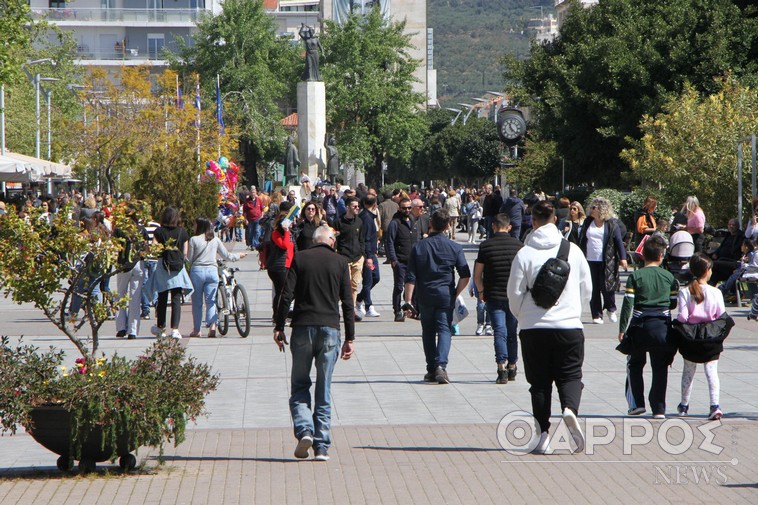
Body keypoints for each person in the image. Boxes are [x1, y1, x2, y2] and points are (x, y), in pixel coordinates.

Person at [507, 201, 592, 454]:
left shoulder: (524, 254)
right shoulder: (573, 251)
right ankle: (569, 409)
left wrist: (524, 316)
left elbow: (514, 294)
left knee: (540, 384)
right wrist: (574, 311)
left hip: (534, 329)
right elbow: (586, 288)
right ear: (555, 220)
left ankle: (542, 435)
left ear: (532, 222)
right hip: (569, 327)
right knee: (570, 375)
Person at [273, 226, 355, 462]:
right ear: (329, 240)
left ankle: (304, 430)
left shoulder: (300, 258)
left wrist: (279, 326)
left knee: (299, 385)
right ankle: (322, 447)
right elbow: (347, 303)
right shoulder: (340, 262)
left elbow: (285, 295)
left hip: (302, 328)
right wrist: (350, 338)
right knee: (324, 388)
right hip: (330, 329)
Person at [404, 208, 471, 384]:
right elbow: (465, 274)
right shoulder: (455, 247)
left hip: (425, 295)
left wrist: (408, 301)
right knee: (444, 329)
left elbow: (410, 277)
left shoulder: (418, 247)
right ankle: (441, 366)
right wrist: (456, 293)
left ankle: (431, 368)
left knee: (427, 331)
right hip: (445, 295)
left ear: (430, 223)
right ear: (448, 226)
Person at [617, 235, 679, 418]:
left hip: (639, 327)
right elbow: (673, 303)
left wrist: (622, 329)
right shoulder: (669, 277)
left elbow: (628, 304)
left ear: (643, 256)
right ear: (661, 256)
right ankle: (659, 408)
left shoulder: (635, 276)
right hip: (662, 328)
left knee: (634, 364)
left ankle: (637, 404)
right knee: (660, 367)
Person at [672, 253, 731, 420]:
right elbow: (721, 315)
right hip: (711, 337)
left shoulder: (685, 291)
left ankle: (683, 406)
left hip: (691, 337)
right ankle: (715, 405)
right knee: (711, 372)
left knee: (688, 372)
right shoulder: (716, 292)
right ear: (707, 271)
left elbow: (682, 316)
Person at [474, 213, 523, 383]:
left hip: (493, 295)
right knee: (512, 332)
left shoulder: (486, 246)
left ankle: (501, 367)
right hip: (514, 296)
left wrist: (481, 292)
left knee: (499, 332)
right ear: (509, 227)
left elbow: (477, 274)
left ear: (493, 226)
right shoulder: (519, 246)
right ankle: (512, 366)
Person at [187, 218, 246, 338]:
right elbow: (227, 255)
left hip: (197, 272)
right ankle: (213, 326)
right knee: (211, 301)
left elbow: (189, 259)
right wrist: (238, 256)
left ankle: (197, 330)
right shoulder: (215, 240)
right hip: (212, 272)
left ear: (199, 226)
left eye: (194, 225)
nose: (193, 227)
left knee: (197, 303)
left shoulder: (193, 240)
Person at [579, 197, 628, 324]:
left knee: (607, 286)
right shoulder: (588, 222)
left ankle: (611, 308)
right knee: (593, 288)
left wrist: (623, 258)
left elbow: (618, 242)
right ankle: (596, 314)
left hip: (607, 260)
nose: (591, 210)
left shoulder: (612, 224)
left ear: (602, 209)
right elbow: (582, 239)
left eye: (594, 208)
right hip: (590, 259)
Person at [147, 206, 193, 339]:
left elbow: (154, 249)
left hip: (163, 267)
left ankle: (161, 328)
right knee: (176, 299)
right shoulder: (182, 232)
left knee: (162, 298)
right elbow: (185, 252)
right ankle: (175, 329)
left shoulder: (159, 232)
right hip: (177, 268)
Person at [114, 207, 148, 340]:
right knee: (135, 297)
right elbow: (146, 247)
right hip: (138, 264)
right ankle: (133, 331)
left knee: (120, 295)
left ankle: (121, 327)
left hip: (123, 265)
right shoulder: (141, 229)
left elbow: (114, 247)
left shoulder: (119, 230)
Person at [334, 197, 364, 314]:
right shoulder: (338, 222)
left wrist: (362, 254)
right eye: (354, 206)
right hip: (343, 257)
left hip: (357, 257)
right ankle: (336, 308)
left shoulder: (359, 221)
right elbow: (335, 239)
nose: (357, 208)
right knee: (344, 284)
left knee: (355, 285)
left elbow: (362, 238)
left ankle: (350, 311)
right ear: (347, 207)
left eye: (358, 206)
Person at [386, 198, 414, 322]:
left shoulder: (412, 220)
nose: (407, 210)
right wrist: (393, 259)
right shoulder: (395, 223)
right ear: (399, 208)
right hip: (400, 260)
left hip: (413, 260)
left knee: (413, 285)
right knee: (398, 286)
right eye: (404, 208)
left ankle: (410, 308)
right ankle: (397, 310)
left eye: (409, 208)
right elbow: (389, 241)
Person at [267, 201, 296, 317]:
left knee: (289, 291)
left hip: (288, 265)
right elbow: (284, 245)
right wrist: (286, 231)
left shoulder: (290, 233)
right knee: (281, 291)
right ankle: (277, 315)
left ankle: (283, 312)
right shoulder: (276, 233)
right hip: (278, 267)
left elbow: (293, 247)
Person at [356, 195, 380, 318]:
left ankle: (359, 298)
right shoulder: (366, 217)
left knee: (376, 277)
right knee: (368, 279)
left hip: (371, 252)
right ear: (375, 204)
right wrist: (368, 256)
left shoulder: (368, 216)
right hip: (367, 253)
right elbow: (366, 239)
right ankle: (368, 306)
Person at [708, 218, 744, 286]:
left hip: (732, 262)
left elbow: (736, 251)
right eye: (729, 224)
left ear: (738, 226)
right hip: (722, 260)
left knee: (712, 264)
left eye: (733, 225)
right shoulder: (728, 235)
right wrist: (716, 253)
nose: (731, 226)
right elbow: (721, 247)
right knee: (714, 272)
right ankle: (709, 289)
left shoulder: (740, 236)